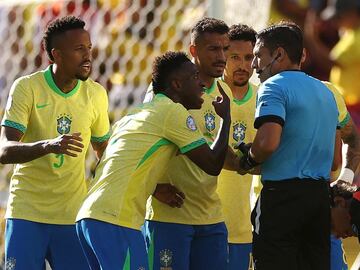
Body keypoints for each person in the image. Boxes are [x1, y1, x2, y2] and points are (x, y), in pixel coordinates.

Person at [75, 51, 231, 269]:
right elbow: (213, 164)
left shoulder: (135, 114)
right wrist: (226, 119)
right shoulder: (172, 112)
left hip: (89, 217)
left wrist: (155, 187)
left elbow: (109, 163)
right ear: (176, 84)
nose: (202, 84)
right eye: (195, 77)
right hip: (116, 220)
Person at [0, 16, 110, 269]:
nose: (87, 56)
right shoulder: (27, 88)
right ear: (56, 55)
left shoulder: (96, 94)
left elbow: (102, 149)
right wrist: (47, 146)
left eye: (89, 48)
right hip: (27, 213)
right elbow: (4, 150)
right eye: (79, 49)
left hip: (72, 214)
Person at [240, 22, 338, 269]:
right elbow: (336, 160)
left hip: (282, 198)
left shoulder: (273, 85)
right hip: (319, 199)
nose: (254, 65)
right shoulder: (326, 91)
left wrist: (248, 159)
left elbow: (268, 142)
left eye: (258, 56)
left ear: (279, 54)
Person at [143, 18, 232, 270]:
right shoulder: (164, 91)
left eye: (226, 49)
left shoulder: (224, 93)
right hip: (169, 216)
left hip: (211, 215)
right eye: (214, 49)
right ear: (194, 50)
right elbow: (142, 142)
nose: (222, 56)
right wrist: (154, 187)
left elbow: (221, 152)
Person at [216, 23, 258, 270]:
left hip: (242, 227)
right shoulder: (205, 95)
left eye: (249, 57)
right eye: (235, 57)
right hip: (203, 219)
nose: (243, 65)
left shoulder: (264, 97)